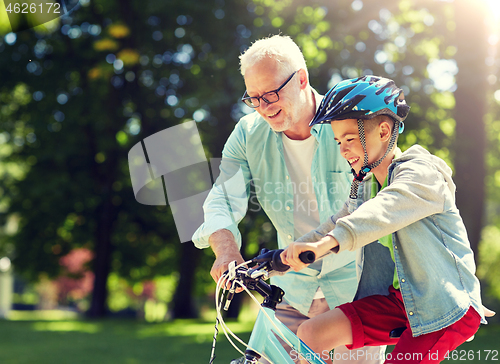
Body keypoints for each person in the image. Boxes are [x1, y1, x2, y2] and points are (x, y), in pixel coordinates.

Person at [192, 35, 386, 363]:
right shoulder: (248, 133)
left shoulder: (354, 124)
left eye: (271, 94)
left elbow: (374, 207)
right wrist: (226, 250)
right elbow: (223, 197)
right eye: (254, 98)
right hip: (291, 287)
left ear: (301, 79)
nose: (264, 107)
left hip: (355, 288)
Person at [281, 75, 488, 364]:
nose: (342, 149)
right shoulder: (368, 186)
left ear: (383, 131)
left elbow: (381, 212)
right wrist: (278, 259)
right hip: (401, 302)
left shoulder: (420, 175)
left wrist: (327, 244)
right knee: (311, 332)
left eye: (350, 138)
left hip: (444, 307)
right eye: (338, 140)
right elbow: (335, 221)